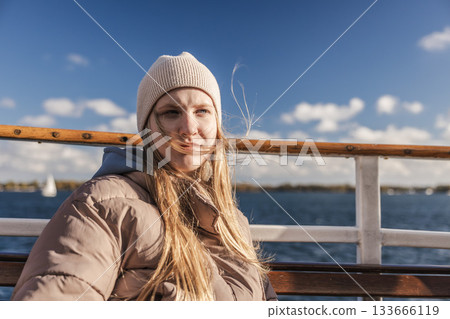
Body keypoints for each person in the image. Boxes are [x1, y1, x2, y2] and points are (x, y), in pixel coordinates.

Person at [12, 52, 277, 301]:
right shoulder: (102, 206)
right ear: (147, 130)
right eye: (171, 112)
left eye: (202, 111)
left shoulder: (234, 223)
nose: (188, 128)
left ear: (216, 125)